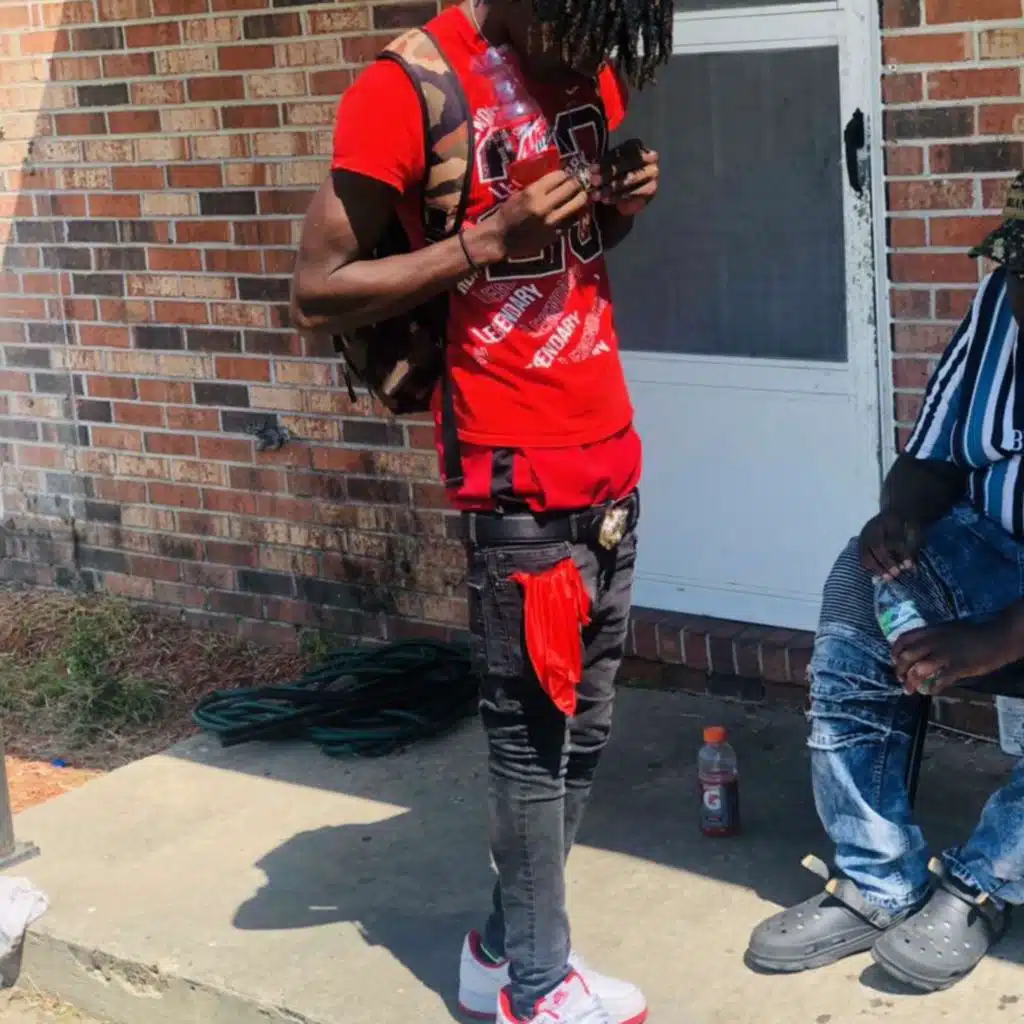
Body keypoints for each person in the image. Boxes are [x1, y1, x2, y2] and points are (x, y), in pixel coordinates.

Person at [290, 0, 672, 1020]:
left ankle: (503, 950)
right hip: (515, 471)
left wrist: (621, 205)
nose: (588, 58)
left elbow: (571, 255)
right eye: (576, 28)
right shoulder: (408, 88)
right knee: (530, 744)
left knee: (583, 734)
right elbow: (316, 291)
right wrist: (484, 239)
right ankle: (536, 990)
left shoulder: (588, 57)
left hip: (609, 451)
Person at [747, 171, 1024, 994]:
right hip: (992, 546)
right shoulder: (1000, 304)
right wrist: (898, 517)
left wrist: (993, 640)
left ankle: (986, 882)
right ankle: (877, 875)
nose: (1019, 292)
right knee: (858, 589)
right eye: (1021, 268)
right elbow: (933, 453)